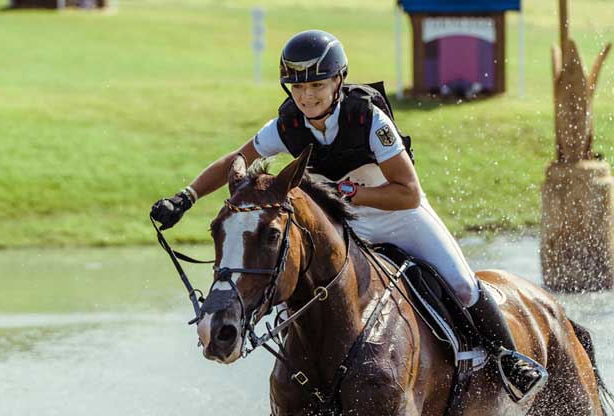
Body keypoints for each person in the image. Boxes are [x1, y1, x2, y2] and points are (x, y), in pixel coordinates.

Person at [150, 29, 546, 401]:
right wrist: (186, 197)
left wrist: (356, 193)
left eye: (317, 85)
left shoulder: (368, 119)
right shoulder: (288, 124)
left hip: (397, 214)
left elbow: (408, 193)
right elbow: (237, 160)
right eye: (298, 87)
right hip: (344, 223)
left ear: (338, 80)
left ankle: (508, 359)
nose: (307, 96)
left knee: (461, 284)